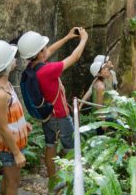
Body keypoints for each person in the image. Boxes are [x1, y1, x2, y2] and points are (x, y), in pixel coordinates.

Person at [17, 27, 88, 186]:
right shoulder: (48, 70)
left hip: (47, 116)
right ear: (39, 53)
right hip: (60, 117)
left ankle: (52, 182)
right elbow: (74, 57)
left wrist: (67, 37)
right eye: (43, 48)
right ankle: (72, 183)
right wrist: (83, 39)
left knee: (50, 145)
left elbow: (48, 51)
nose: (46, 50)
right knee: (72, 148)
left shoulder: (32, 67)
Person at [0, 40, 32, 195]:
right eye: (12, 57)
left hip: (10, 143)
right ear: (5, 65)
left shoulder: (2, 83)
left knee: (8, 179)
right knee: (13, 183)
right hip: (8, 147)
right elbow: (3, 128)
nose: (15, 59)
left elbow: (9, 114)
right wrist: (16, 153)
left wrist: (23, 124)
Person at [80, 58, 117, 135]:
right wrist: (103, 122)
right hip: (104, 113)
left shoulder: (112, 74)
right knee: (120, 130)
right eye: (104, 68)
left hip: (109, 108)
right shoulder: (100, 86)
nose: (107, 68)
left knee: (101, 135)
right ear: (99, 73)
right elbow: (99, 106)